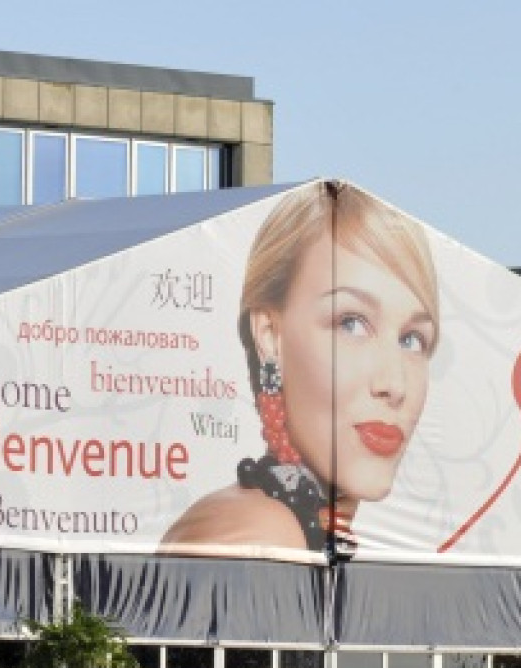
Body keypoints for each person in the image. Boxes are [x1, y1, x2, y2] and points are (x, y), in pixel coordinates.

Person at [161, 180, 440, 554]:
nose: (394, 384)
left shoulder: (289, 523)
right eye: (351, 323)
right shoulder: (262, 534)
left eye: (412, 339)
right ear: (270, 335)